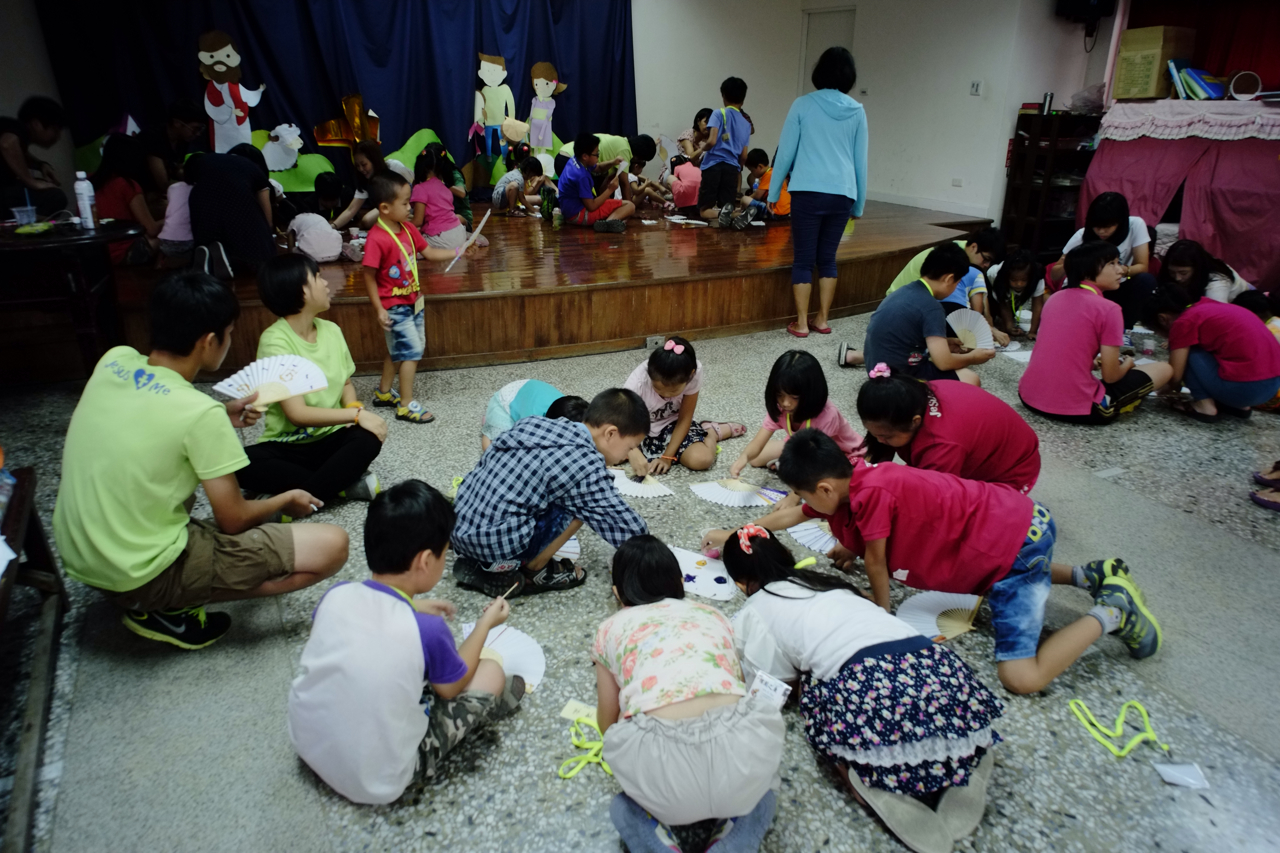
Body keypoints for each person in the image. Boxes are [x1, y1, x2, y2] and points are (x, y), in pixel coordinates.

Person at [704, 430, 1163, 695]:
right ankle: (1089, 574)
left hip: (1014, 548)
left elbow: (879, 565)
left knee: (1021, 677)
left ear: (824, 489)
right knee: (1001, 578)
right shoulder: (849, 487)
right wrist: (736, 534)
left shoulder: (873, 495)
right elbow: (790, 515)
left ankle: (1113, 611)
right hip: (1010, 530)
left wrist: (878, 611)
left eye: (804, 495)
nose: (800, 503)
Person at [51, 271, 348, 649]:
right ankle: (170, 605)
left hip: (82, 559)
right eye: (228, 332)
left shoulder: (115, 360)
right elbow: (233, 519)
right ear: (209, 342)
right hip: (140, 574)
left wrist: (223, 414)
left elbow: (153, 414)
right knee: (332, 545)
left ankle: (157, 592)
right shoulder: (198, 413)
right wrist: (284, 499)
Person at [722, 526, 1004, 851]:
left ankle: (868, 780)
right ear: (784, 556)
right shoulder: (830, 585)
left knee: (817, 693)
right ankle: (971, 753)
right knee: (929, 715)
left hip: (869, 685)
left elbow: (776, 684)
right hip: (938, 668)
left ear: (741, 581)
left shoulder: (757, 608)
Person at [287, 480, 525, 805]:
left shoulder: (337, 594)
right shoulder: (427, 628)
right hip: (376, 779)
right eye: (445, 553)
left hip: (308, 743)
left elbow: (366, 628)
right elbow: (450, 688)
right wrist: (484, 625)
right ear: (426, 561)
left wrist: (408, 605)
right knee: (491, 673)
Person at [594, 535, 783, 853]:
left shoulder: (610, 628)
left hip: (665, 781)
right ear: (681, 582)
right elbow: (735, 682)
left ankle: (658, 841)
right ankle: (737, 836)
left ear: (617, 594)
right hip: (738, 761)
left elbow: (607, 724)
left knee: (622, 807)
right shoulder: (714, 616)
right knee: (764, 793)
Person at [450, 389, 651, 597]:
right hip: (496, 547)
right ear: (610, 433)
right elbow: (628, 529)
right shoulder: (587, 466)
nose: (626, 456)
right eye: (630, 448)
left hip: (458, 526)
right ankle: (534, 570)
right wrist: (654, 553)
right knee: (580, 506)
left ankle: (478, 563)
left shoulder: (536, 423)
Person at [237, 254, 386, 503]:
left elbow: (346, 384)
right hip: (289, 445)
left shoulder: (332, 331)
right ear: (300, 290)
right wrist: (357, 414)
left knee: (368, 438)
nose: (325, 283)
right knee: (239, 464)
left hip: (332, 438)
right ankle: (340, 487)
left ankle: (293, 499)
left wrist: (352, 407)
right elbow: (298, 414)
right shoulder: (275, 341)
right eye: (317, 277)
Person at [1020, 242, 1174, 425]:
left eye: (1119, 262)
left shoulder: (1055, 298)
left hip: (1028, 396)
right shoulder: (1110, 309)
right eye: (1112, 263)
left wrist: (1092, 362)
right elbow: (1110, 376)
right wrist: (1127, 364)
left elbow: (1061, 347)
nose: (1121, 270)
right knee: (1165, 368)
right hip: (1081, 410)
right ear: (1087, 270)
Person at [772, 48, 867, 338]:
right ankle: (822, 319)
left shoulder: (802, 104)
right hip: (843, 192)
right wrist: (859, 204)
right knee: (827, 258)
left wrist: (773, 192)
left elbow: (785, 152)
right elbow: (860, 160)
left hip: (807, 191)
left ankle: (801, 323)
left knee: (803, 259)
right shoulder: (857, 110)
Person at [362, 172, 460, 424]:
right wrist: (378, 308)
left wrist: (459, 251)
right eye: (405, 203)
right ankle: (405, 405)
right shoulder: (377, 238)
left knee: (397, 349)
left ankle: (384, 393)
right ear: (384, 208)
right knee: (412, 352)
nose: (410, 208)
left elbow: (429, 253)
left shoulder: (408, 229)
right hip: (394, 306)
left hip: (414, 301)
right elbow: (369, 277)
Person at [857, 364, 1041, 493]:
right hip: (973, 451)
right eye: (875, 434)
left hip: (1013, 472)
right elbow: (878, 452)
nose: (880, 440)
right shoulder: (914, 393)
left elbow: (935, 500)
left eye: (886, 437)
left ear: (915, 421)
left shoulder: (941, 446)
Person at [854, 242, 994, 386]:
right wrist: (973, 357)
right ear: (949, 279)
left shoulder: (902, 291)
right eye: (957, 283)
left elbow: (907, 338)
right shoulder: (932, 307)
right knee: (971, 379)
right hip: (898, 379)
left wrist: (944, 344)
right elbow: (944, 363)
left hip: (876, 371)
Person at [1142, 286, 1280, 423]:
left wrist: (1156, 390)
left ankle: (1204, 406)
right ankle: (1238, 407)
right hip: (1271, 387)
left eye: (1156, 331)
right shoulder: (1209, 307)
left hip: (1244, 389)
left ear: (1162, 319)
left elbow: (1175, 376)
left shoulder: (1184, 321)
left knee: (1188, 350)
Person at [624, 336, 745, 476]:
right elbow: (621, 424)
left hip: (673, 426)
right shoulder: (637, 383)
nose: (666, 395)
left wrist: (667, 457)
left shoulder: (692, 371)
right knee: (607, 451)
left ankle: (711, 432)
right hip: (638, 428)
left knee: (701, 460)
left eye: (673, 391)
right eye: (658, 390)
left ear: (690, 376)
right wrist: (632, 450)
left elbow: (685, 417)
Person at [730, 350, 862, 477]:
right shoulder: (780, 407)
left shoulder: (827, 415)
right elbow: (758, 443)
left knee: (826, 479)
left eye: (794, 397)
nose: (785, 403)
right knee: (755, 459)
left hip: (839, 454)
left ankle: (791, 464)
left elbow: (821, 461)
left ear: (812, 394)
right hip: (803, 446)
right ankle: (792, 462)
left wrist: (793, 498)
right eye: (780, 395)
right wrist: (743, 457)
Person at [1050, 192, 1153, 328]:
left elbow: (1142, 266)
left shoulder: (1136, 225)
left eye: (1107, 227)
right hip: (1087, 288)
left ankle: (1124, 328)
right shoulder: (1082, 235)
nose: (1101, 232)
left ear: (1120, 222)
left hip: (1116, 285)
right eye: (1096, 226)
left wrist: (1118, 270)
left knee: (1145, 280)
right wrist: (1070, 260)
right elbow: (1054, 274)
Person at [189, 152, 275, 279]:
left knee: (212, 234)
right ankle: (230, 262)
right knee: (260, 254)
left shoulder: (205, 161)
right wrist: (267, 235)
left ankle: (208, 254)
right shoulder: (254, 169)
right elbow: (266, 210)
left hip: (203, 199)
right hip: (238, 199)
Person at [93, 134, 164, 265]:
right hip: (124, 254)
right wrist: (173, 219)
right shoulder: (126, 185)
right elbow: (152, 229)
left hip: (97, 255)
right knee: (172, 234)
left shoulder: (91, 182)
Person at [0, 96, 67, 217]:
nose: (57, 137)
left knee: (43, 188)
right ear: (36, 124)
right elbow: (7, 144)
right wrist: (31, 182)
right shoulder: (18, 128)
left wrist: (40, 165)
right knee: (55, 196)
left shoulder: (11, 129)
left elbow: (18, 152)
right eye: (55, 131)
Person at [698, 77, 752, 226]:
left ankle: (728, 215)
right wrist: (738, 168)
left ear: (723, 96)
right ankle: (737, 215)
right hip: (732, 167)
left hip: (713, 165)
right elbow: (744, 155)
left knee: (704, 210)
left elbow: (712, 141)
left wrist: (699, 151)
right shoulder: (746, 124)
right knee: (727, 205)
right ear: (743, 99)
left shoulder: (718, 113)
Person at [480, 379, 587, 452]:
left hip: (530, 389)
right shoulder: (533, 422)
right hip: (504, 401)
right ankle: (489, 426)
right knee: (496, 447)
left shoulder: (571, 409)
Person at [557, 132, 634, 233]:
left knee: (618, 205)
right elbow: (591, 206)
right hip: (578, 215)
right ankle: (607, 223)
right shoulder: (581, 176)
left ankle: (608, 222)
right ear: (585, 156)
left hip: (569, 211)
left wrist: (613, 162)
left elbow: (598, 167)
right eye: (597, 154)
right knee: (630, 206)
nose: (598, 157)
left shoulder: (574, 160)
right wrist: (610, 189)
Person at [554, 133, 657, 200]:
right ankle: (553, 200)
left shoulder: (621, 142)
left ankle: (554, 199)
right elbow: (624, 184)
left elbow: (600, 171)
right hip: (569, 158)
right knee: (588, 203)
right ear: (638, 156)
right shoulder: (625, 151)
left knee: (578, 198)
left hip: (563, 156)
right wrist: (629, 208)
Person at [139, 97, 206, 194]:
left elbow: (177, 169)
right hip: (145, 193)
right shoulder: (152, 138)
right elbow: (163, 185)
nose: (198, 134)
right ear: (177, 123)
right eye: (195, 128)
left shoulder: (182, 139)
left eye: (201, 129)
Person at [1157, 239, 1253, 305]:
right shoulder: (1169, 273)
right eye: (1172, 272)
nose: (1177, 278)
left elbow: (1216, 315)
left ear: (1197, 268)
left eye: (1183, 273)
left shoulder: (1217, 283)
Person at [409, 148, 469, 251]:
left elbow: (418, 221)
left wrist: (401, 227)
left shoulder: (420, 188)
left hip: (440, 239)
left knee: (409, 239)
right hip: (459, 234)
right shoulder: (445, 187)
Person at [986, 249, 1046, 341]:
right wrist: (1009, 326)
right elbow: (1003, 301)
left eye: (1024, 280)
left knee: (1015, 304)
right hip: (992, 292)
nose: (1019, 284)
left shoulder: (1037, 277)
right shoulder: (995, 274)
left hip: (1015, 295)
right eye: (1014, 280)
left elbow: (1037, 306)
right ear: (1007, 277)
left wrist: (1032, 331)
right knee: (995, 314)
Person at [331, 140, 388, 231]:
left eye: (364, 164)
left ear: (374, 160)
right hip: (386, 209)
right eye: (357, 166)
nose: (361, 169)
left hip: (401, 206)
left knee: (367, 220)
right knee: (367, 221)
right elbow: (351, 210)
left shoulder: (394, 168)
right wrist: (333, 226)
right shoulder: (364, 180)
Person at [732, 148, 790, 230]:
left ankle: (735, 215)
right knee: (751, 206)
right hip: (784, 213)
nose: (752, 173)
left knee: (745, 199)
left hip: (774, 212)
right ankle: (742, 214)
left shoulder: (768, 175)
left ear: (759, 167)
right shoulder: (773, 172)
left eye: (752, 170)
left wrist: (742, 204)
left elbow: (757, 196)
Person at [155, 152, 197, 265]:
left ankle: (162, 262)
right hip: (187, 243)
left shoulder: (172, 187)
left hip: (164, 242)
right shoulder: (199, 190)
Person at [669, 153, 702, 219]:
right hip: (701, 195)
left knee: (670, 178)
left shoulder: (677, 168)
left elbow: (675, 181)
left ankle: (679, 204)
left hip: (686, 192)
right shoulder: (696, 168)